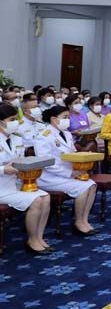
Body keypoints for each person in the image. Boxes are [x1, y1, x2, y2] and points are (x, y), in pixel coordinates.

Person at [34, 105, 98, 236]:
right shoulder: (43, 135)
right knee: (83, 188)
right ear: (54, 119)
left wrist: (82, 161)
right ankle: (79, 222)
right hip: (49, 177)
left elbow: (72, 153)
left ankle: (83, 220)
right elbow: (46, 163)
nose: (68, 120)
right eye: (65, 117)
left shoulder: (67, 133)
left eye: (68, 117)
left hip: (68, 173)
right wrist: (69, 173)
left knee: (91, 185)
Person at [0, 104, 53, 254]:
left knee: (45, 197)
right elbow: (6, 166)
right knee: (36, 200)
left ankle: (39, 237)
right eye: (12, 119)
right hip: (1, 187)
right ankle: (31, 240)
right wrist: (4, 169)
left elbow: (20, 161)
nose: (16, 122)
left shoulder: (16, 139)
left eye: (16, 119)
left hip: (14, 183)